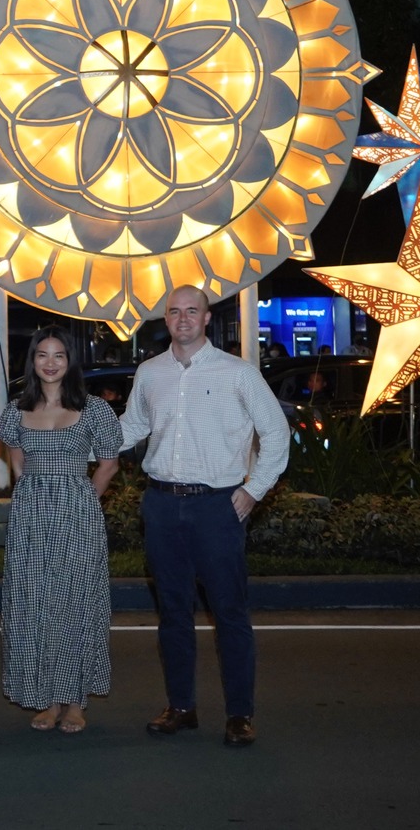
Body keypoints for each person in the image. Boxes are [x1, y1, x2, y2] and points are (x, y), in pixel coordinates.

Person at [120, 286, 289, 748]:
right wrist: (77, 440)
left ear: (207, 317)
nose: (182, 318)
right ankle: (181, 707)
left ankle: (240, 714)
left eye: (191, 311)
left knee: (229, 613)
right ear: (166, 319)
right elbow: (131, 428)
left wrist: (253, 491)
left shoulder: (238, 373)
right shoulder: (149, 373)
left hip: (218, 506)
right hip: (161, 505)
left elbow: (276, 433)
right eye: (174, 311)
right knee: (172, 613)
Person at [0, 327, 121, 733]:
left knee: (77, 604)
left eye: (59, 356)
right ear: (32, 361)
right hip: (31, 520)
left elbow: (108, 463)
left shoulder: (95, 410)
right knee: (36, 605)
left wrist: (83, 498)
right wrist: (31, 493)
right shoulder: (15, 410)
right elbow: (16, 460)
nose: (50, 363)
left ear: (70, 362)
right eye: (42, 356)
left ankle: (76, 700)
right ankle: (49, 697)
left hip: (78, 515)